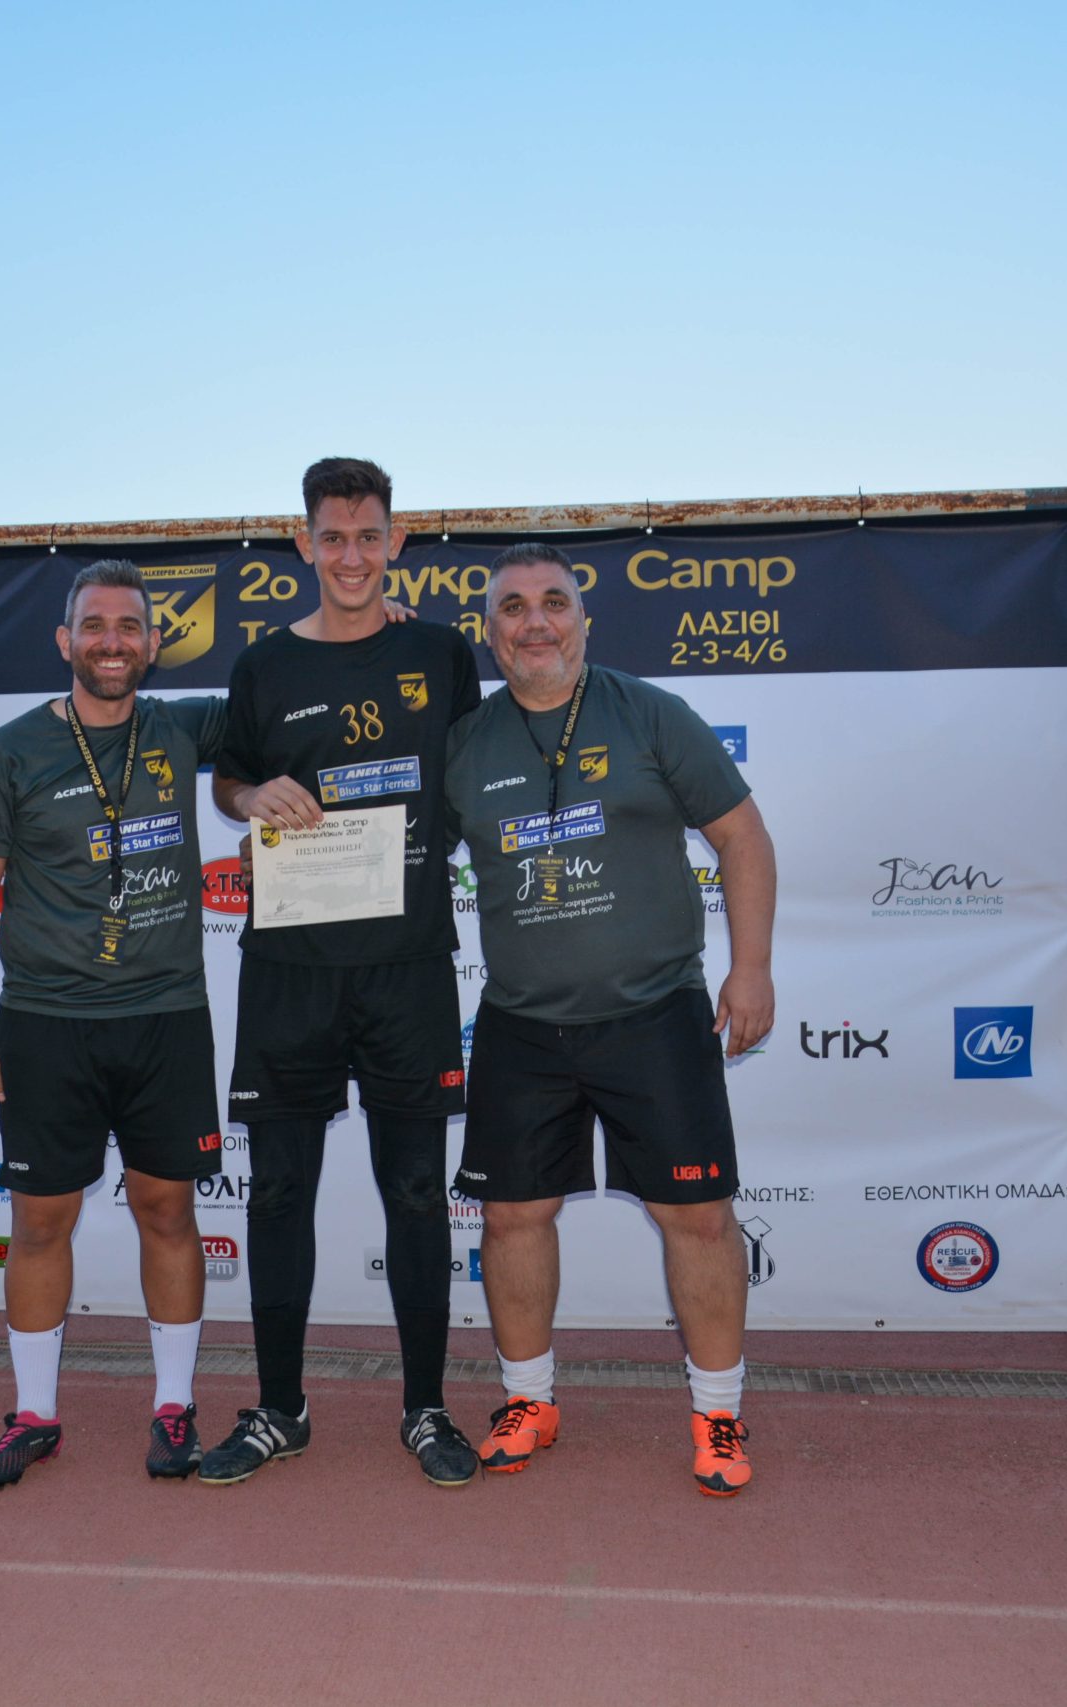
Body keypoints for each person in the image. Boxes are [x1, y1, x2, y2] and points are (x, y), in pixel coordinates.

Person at [443, 542, 777, 1495]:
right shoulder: (466, 742)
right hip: (520, 1021)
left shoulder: (650, 713)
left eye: (554, 602)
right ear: (491, 633)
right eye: (513, 608)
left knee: (698, 1217)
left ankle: (718, 1414)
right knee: (513, 1215)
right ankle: (528, 1399)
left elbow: (741, 837)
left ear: (584, 621)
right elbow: (398, 855)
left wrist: (751, 968)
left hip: (655, 1013)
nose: (535, 622)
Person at [197, 457, 486, 1487]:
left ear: (395, 541)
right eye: (333, 537)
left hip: (407, 965)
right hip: (289, 966)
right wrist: (248, 801)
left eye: (368, 536)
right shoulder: (265, 663)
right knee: (278, 1190)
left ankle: (425, 1407)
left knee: (414, 1191)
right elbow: (229, 780)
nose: (351, 556)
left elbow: (470, 780)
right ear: (304, 543)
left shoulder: (439, 652)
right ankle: (280, 1409)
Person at [0, 559, 228, 1488]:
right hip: (45, 1022)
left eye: (130, 626)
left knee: (168, 1209)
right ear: (67, 640)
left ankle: (174, 1406)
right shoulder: (11, 751)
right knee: (39, 1222)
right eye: (96, 626)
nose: (114, 641)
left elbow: (296, 692)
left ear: (154, 641)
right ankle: (34, 1414)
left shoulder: (181, 728)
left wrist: (371, 612)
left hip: (166, 1018)